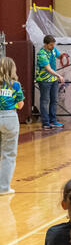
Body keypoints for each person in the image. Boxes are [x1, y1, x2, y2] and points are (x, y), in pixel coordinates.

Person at [0, 57, 24, 195]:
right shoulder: (15, 85)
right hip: (9, 117)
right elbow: (20, 105)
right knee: (8, 154)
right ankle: (3, 188)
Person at [35, 34, 65, 130]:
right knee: (45, 101)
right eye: (51, 45)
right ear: (46, 44)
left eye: (53, 44)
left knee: (54, 100)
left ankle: (53, 121)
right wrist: (58, 75)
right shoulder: (42, 54)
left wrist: (62, 55)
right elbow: (48, 68)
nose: (53, 46)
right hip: (44, 80)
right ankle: (45, 122)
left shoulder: (53, 49)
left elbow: (58, 56)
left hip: (53, 79)